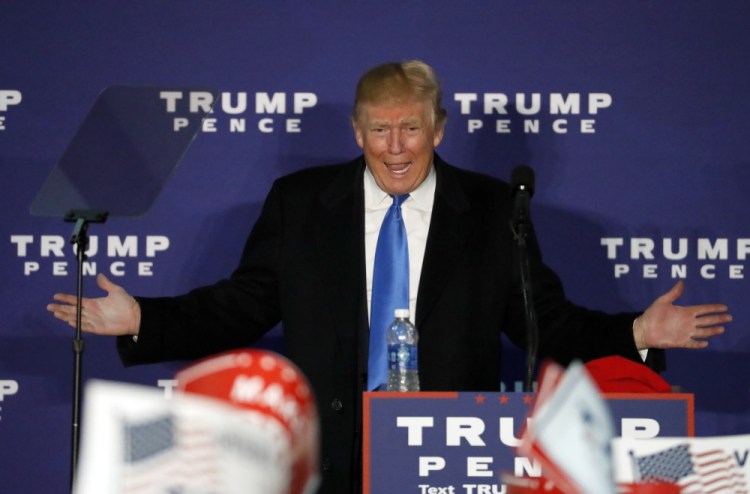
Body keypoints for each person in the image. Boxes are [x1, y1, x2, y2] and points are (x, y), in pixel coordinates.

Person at [48, 60, 731, 494]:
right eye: (379, 130)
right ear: (356, 132)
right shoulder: (301, 204)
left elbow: (541, 322)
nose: (395, 147)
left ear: (439, 129)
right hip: (331, 459)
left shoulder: (495, 211)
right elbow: (244, 303)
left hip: (447, 460)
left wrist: (636, 331)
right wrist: (145, 318)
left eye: (411, 128)